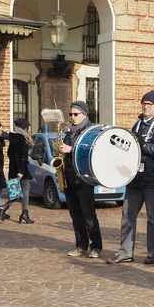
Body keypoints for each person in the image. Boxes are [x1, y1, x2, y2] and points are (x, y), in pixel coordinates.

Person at [107, 91, 154, 265]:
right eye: (144, 103)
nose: (145, 106)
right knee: (127, 215)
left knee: (153, 217)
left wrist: (145, 145)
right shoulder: (137, 124)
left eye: (149, 104)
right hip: (135, 177)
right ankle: (125, 251)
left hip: (153, 178)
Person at [61, 102, 104, 258]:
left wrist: (71, 149)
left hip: (84, 179)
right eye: (70, 114)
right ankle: (81, 245)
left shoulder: (91, 131)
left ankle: (96, 246)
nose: (72, 117)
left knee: (88, 215)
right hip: (70, 178)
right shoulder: (70, 132)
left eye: (75, 114)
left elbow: (93, 151)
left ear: (84, 115)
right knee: (76, 216)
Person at [0, 118, 35, 223]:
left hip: (13, 168)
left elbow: (10, 154)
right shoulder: (21, 139)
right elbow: (21, 157)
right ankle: (24, 214)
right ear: (25, 128)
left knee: (16, 193)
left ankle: (5, 208)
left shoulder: (14, 138)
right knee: (25, 191)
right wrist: (21, 171)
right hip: (21, 170)